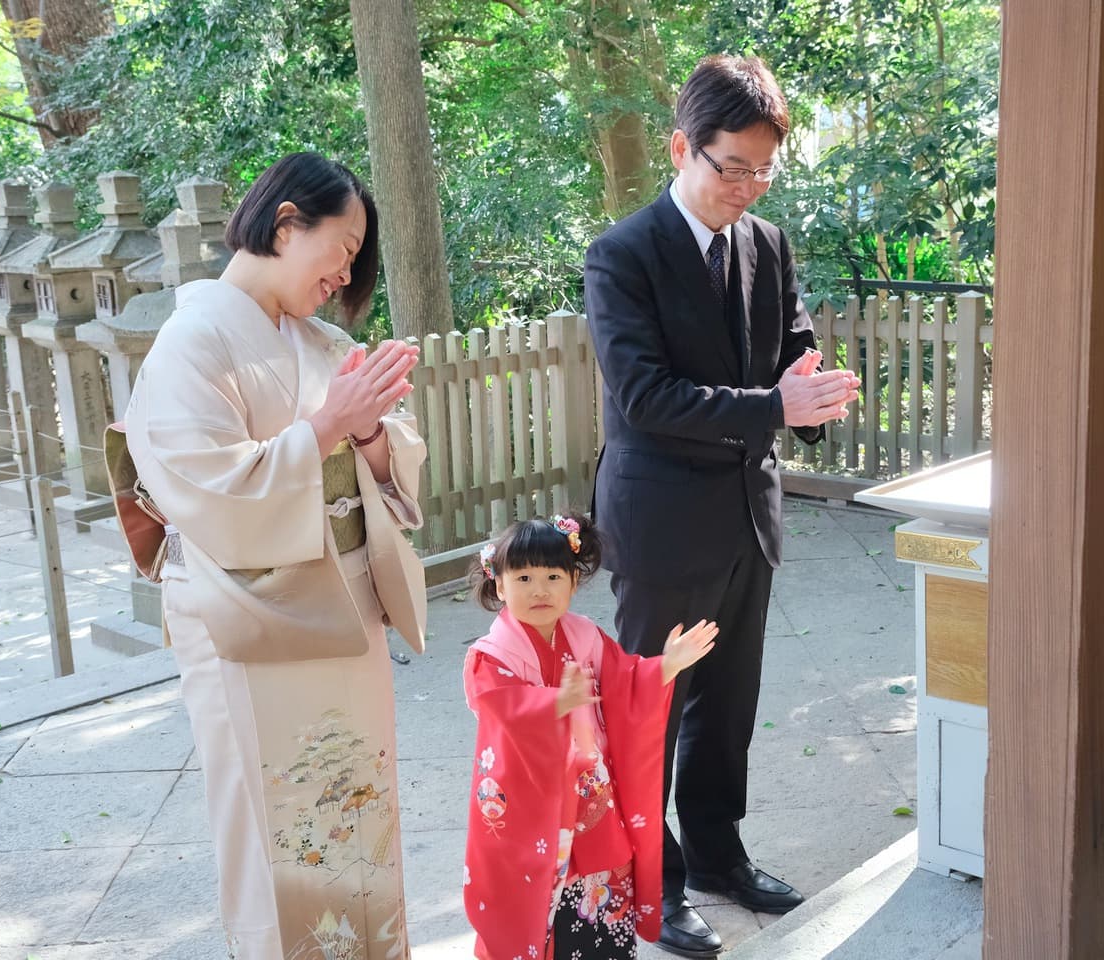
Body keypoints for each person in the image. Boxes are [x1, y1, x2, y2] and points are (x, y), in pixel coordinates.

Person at [583, 55, 862, 957]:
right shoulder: (622, 254)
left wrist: (809, 391)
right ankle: (647, 881)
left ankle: (716, 855)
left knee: (728, 704)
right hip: (661, 520)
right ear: (681, 148)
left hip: (747, 510)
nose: (748, 186)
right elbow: (644, 396)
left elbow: (792, 341)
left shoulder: (767, 242)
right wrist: (773, 407)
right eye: (731, 167)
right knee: (651, 710)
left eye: (763, 169)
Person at [123, 152, 427, 959]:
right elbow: (205, 486)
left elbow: (389, 459)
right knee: (269, 820)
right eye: (345, 244)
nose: (348, 270)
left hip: (344, 608)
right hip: (248, 617)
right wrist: (327, 428)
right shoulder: (192, 340)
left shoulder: (319, 340)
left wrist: (365, 429)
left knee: (353, 799)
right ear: (287, 221)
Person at [461, 515, 719, 960]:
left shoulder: (585, 636)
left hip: (590, 796)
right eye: (523, 577)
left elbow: (627, 680)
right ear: (499, 586)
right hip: (528, 806)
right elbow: (499, 706)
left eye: (552, 576)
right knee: (536, 902)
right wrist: (554, 704)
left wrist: (666, 666)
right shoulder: (492, 655)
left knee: (603, 883)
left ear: (573, 584)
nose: (539, 589)